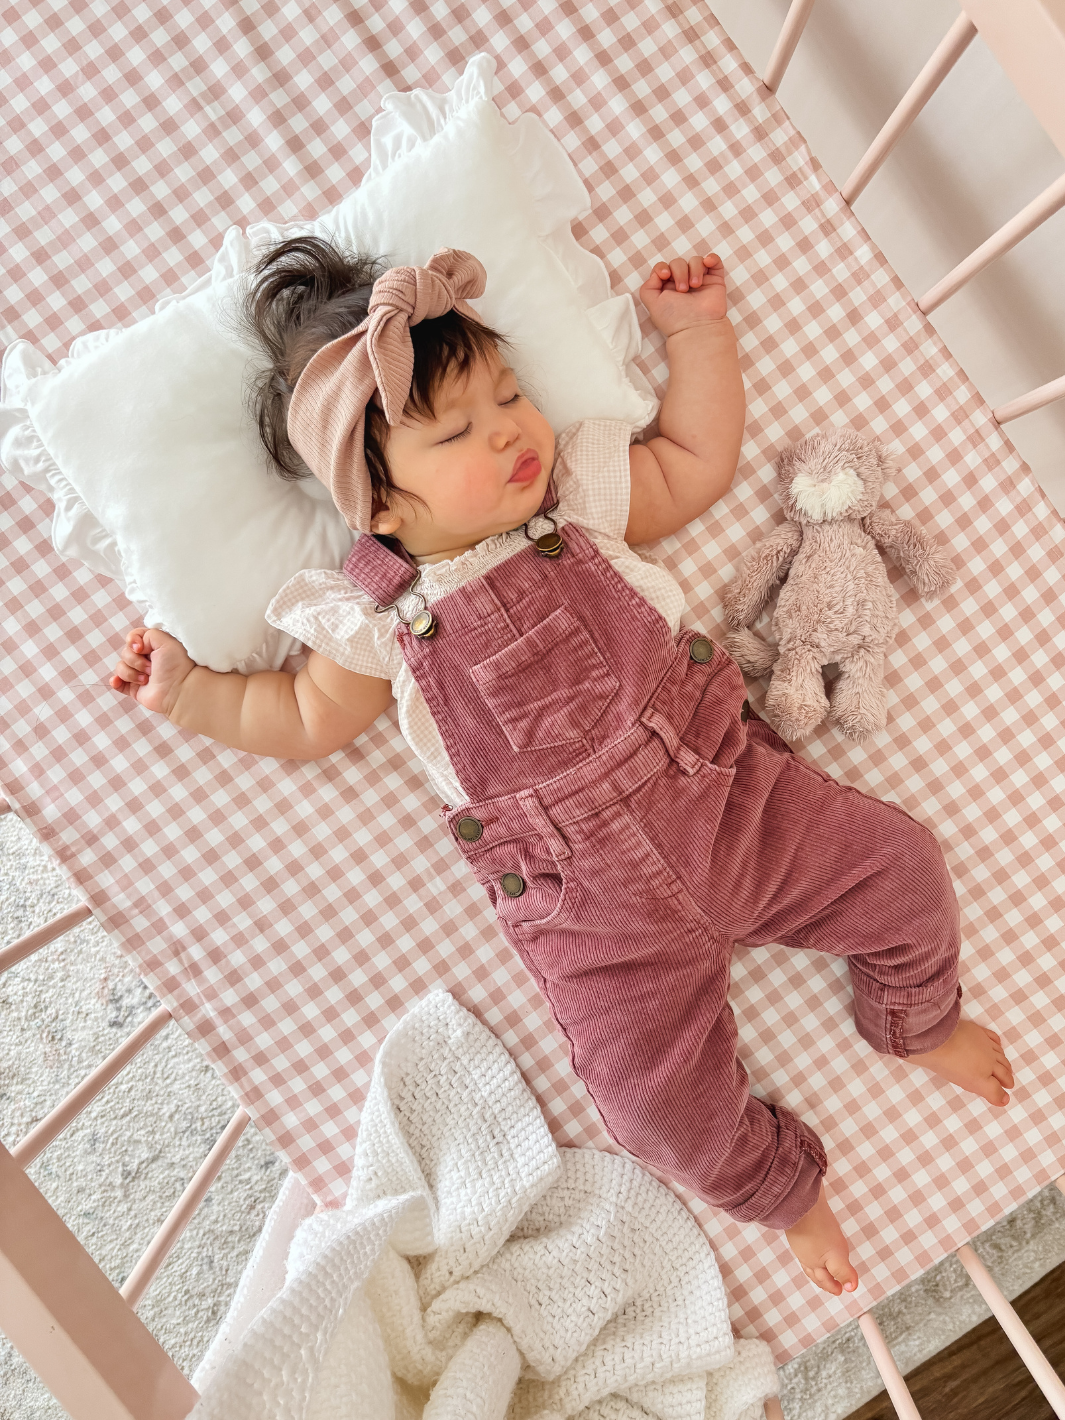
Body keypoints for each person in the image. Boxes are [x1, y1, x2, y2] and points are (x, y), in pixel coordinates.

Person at [110, 238, 1014, 1295]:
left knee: (902, 865)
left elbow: (694, 458)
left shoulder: (579, 504)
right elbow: (303, 714)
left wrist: (697, 336)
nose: (508, 431)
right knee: (652, 1111)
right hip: (591, 915)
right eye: (457, 429)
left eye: (509, 396)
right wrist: (190, 691)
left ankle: (916, 1018)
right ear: (381, 505)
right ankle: (781, 1188)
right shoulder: (377, 618)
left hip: (731, 801)